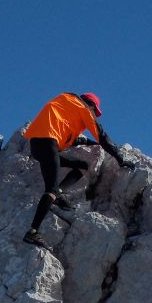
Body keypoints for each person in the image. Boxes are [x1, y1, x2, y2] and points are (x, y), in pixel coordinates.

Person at [22, 91, 134, 249]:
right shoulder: (83, 109)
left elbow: (70, 134)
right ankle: (33, 231)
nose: (94, 115)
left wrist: (88, 143)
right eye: (94, 111)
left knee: (81, 167)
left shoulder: (65, 101)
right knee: (50, 190)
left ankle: (59, 194)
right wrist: (120, 159)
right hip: (48, 143)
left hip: (37, 144)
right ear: (91, 106)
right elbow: (101, 135)